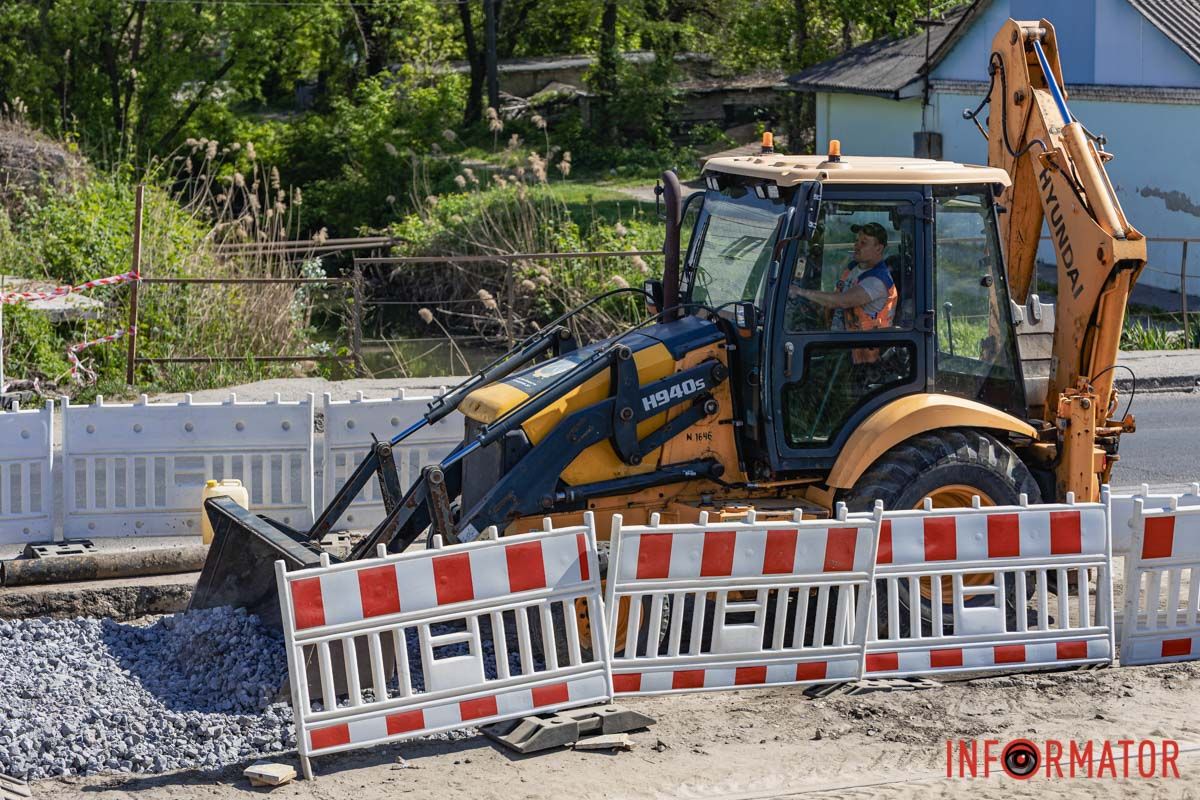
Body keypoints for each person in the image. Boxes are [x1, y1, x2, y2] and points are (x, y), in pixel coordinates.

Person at [788, 221, 898, 363]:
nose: (856, 245)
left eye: (863, 243)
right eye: (857, 241)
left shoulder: (877, 281)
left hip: (863, 360)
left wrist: (801, 292)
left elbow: (842, 300)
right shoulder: (854, 268)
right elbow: (836, 297)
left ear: (879, 249)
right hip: (843, 346)